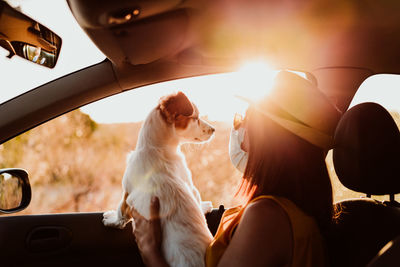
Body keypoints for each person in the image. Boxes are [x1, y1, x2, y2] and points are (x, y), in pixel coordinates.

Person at [130, 70, 341, 267]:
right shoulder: (290, 213)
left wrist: (150, 252)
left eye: (244, 119)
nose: (240, 130)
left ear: (266, 135)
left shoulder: (267, 218)